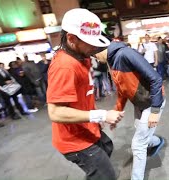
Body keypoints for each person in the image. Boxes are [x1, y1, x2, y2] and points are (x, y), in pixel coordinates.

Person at [46, 8, 124, 180]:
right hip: (74, 140)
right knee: (107, 176)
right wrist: (101, 115)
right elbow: (55, 112)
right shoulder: (65, 66)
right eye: (90, 42)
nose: (95, 47)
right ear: (71, 39)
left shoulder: (82, 55)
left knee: (107, 147)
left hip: (87, 129)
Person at [95, 40, 166, 180]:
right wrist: (117, 112)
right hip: (140, 102)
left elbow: (156, 79)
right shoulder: (111, 61)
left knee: (138, 144)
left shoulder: (125, 54)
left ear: (100, 48)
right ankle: (158, 142)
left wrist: (155, 111)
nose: (94, 57)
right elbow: (122, 91)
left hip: (152, 102)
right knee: (142, 134)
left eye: (94, 53)